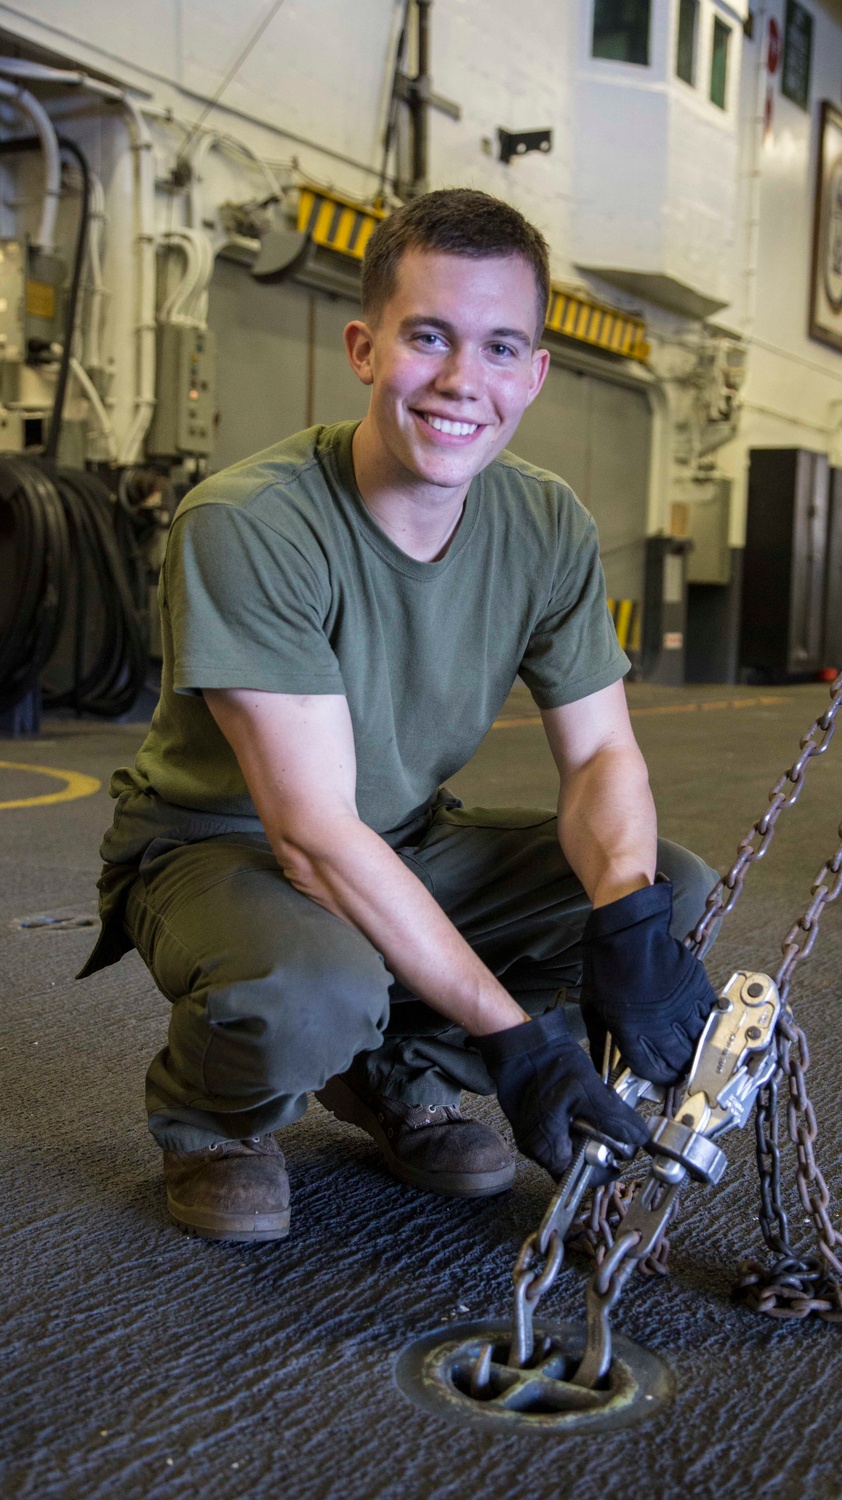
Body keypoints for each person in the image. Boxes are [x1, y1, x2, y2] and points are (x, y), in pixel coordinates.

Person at [80, 189, 719, 1242]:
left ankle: (397, 1074)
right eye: (430, 337)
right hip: (221, 849)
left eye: (501, 347)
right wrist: (519, 1043)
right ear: (365, 347)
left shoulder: (546, 522)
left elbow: (602, 751)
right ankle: (211, 1116)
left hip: (406, 838)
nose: (464, 382)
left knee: (662, 883)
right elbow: (314, 837)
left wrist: (630, 922)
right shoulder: (250, 523)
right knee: (309, 987)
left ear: (535, 372)